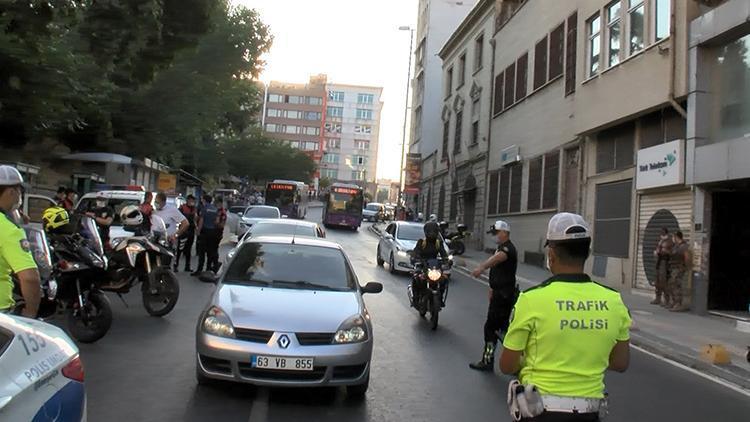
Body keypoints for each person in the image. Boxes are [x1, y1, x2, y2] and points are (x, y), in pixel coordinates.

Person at [500, 213, 631, 422]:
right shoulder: (614, 301)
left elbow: (507, 365)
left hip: (540, 411)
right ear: (587, 252)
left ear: (551, 254)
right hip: (590, 412)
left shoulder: (531, 299)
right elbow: (620, 362)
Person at [469, 220, 519, 371]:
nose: (494, 236)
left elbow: (498, 259)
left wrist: (481, 267)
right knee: (504, 329)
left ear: (504, 232)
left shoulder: (507, 249)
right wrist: (491, 287)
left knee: (492, 328)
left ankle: (488, 360)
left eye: (496, 233)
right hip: (501, 293)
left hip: (503, 296)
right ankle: (517, 361)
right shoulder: (501, 248)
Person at [0, 165, 41, 317]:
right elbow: (30, 278)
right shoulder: (8, 229)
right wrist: (30, 312)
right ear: (11, 192)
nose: (20, 196)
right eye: (19, 191)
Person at [410, 221, 449, 305]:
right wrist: (414, 258)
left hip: (434, 266)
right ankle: (415, 298)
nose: (432, 233)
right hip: (422, 264)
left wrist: (447, 260)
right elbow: (415, 252)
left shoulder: (438, 243)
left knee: (444, 279)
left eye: (434, 231)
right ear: (426, 232)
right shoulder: (421, 242)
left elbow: (443, 253)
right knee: (416, 277)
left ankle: (440, 298)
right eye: (430, 231)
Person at [192, 195, 220, 276]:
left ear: (204, 200)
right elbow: (217, 222)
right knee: (210, 252)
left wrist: (198, 231)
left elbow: (201, 221)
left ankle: (199, 270)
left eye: (202, 199)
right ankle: (208, 269)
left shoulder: (204, 209)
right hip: (212, 232)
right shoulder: (215, 209)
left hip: (204, 232)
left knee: (201, 252)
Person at [667, 231, 691, 312]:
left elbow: (687, 258)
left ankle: (678, 304)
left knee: (676, 286)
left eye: (673, 237)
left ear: (677, 237)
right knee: (672, 285)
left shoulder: (684, 246)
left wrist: (686, 268)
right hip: (673, 269)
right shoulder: (676, 246)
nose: (672, 239)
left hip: (679, 269)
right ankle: (674, 302)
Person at [652, 228, 673, 306]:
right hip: (658, 261)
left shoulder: (669, 241)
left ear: (666, 232)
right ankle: (658, 298)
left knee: (663, 281)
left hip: (664, 262)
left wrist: (662, 252)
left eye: (662, 232)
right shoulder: (660, 241)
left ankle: (667, 300)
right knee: (657, 281)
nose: (661, 233)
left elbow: (671, 253)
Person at [176, 195, 198, 272]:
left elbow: (195, 219)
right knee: (180, 249)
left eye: (193, 201)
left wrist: (196, 227)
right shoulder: (182, 208)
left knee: (188, 250)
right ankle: (176, 265)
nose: (192, 202)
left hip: (191, 231)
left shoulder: (194, 209)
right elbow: (178, 218)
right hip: (183, 231)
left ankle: (187, 266)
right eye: (191, 200)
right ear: (187, 200)